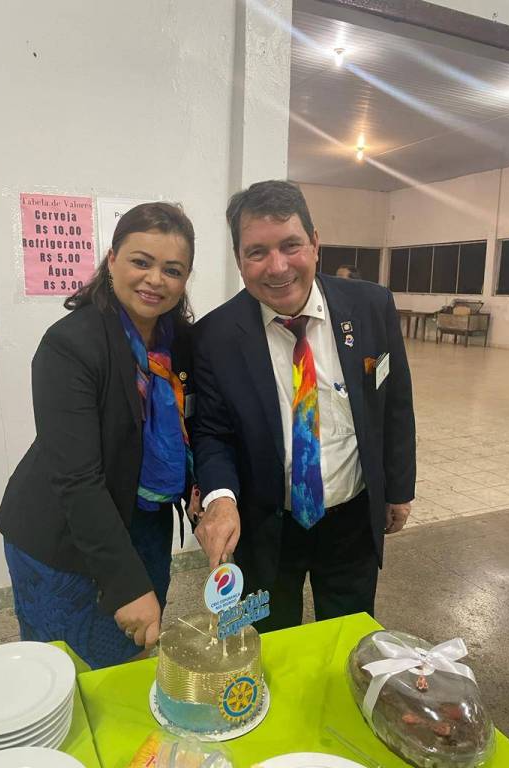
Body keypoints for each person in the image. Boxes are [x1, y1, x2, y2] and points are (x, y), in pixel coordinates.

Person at [192, 180, 415, 631]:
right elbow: (212, 432)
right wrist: (220, 499)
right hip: (265, 524)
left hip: (352, 516)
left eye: (290, 245)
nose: (277, 267)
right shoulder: (215, 336)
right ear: (238, 258)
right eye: (257, 252)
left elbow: (394, 402)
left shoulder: (371, 306)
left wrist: (398, 489)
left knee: (349, 636)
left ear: (315, 243)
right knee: (270, 642)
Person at [0, 202, 200, 668]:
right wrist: (125, 583)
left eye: (172, 270)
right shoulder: (71, 344)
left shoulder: (181, 343)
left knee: (133, 656)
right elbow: (76, 479)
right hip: (64, 536)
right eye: (141, 262)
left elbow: (193, 431)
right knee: (62, 669)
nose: (155, 279)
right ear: (112, 260)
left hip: (144, 524)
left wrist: (203, 493)